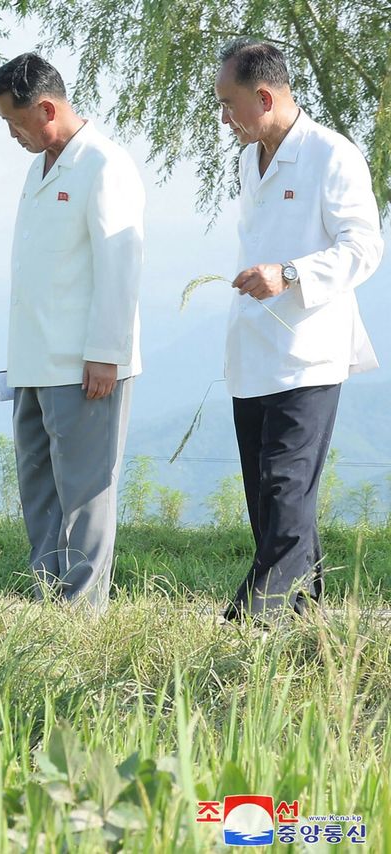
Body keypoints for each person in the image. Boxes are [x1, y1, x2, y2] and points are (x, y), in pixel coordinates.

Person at [214, 39, 383, 622]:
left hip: (309, 354)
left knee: (286, 492)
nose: (224, 117)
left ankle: (250, 625)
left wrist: (287, 274)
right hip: (251, 354)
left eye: (229, 103)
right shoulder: (246, 158)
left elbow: (364, 248)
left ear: (264, 96)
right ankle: (307, 626)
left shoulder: (333, 155)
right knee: (268, 502)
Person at [0, 53, 145, 613]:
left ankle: (81, 613)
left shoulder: (105, 164)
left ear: (47, 108)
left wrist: (106, 354)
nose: (11, 134)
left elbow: (119, 265)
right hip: (32, 360)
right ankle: (50, 601)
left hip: (85, 365)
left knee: (85, 494)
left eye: (15, 121)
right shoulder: (40, 167)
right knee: (39, 491)